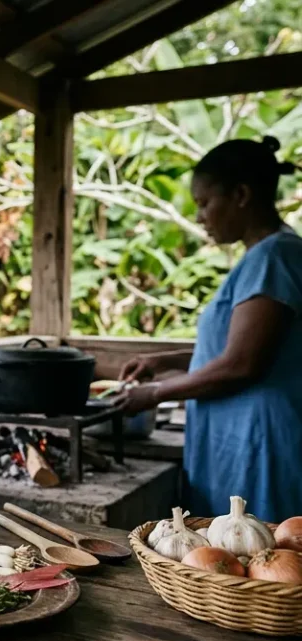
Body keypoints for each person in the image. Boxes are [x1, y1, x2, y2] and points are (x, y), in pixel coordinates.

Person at [118, 136, 301, 523]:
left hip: (262, 441)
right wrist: (163, 360)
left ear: (241, 194)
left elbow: (242, 363)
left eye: (204, 203)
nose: (200, 217)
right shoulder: (264, 257)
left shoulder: (275, 256)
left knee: (265, 566)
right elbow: (237, 345)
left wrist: (154, 393)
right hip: (242, 439)